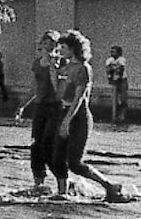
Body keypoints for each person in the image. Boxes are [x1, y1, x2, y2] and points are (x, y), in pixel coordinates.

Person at [51, 31, 126, 201]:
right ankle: (62, 192)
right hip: (64, 112)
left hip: (78, 116)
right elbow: (58, 93)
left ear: (74, 49)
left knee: (74, 162)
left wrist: (67, 122)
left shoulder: (84, 69)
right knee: (57, 158)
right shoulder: (66, 67)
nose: (60, 50)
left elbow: (79, 98)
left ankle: (109, 185)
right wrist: (53, 70)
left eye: (64, 47)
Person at [26, 31, 63, 193]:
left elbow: (61, 86)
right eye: (45, 43)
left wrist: (53, 67)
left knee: (49, 142)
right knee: (36, 143)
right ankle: (38, 181)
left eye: (51, 44)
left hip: (55, 105)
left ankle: (61, 179)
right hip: (40, 104)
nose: (48, 47)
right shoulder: (36, 63)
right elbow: (34, 86)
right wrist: (23, 105)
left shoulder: (60, 62)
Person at [105, 44, 128, 129]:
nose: (112, 53)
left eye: (113, 52)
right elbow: (108, 70)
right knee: (114, 99)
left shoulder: (121, 59)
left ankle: (122, 117)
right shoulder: (109, 60)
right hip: (114, 81)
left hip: (122, 81)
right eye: (111, 51)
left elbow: (120, 69)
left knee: (123, 99)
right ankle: (114, 116)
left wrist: (113, 68)